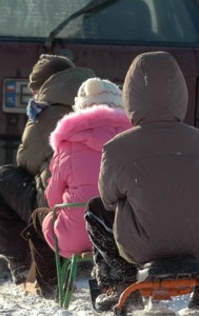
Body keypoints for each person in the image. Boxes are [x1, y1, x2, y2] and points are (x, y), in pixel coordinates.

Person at [85, 51, 199, 312]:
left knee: (95, 209)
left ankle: (119, 284)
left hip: (140, 247)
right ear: (179, 92)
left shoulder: (116, 149)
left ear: (130, 94)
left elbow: (108, 201)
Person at [0, 54, 95, 285]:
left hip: (63, 212)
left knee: (0, 180)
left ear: (43, 86)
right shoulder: (106, 106)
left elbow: (26, 160)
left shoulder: (46, 111)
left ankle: (21, 263)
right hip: (108, 213)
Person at [21, 78, 133, 298]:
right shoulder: (132, 140)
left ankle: (51, 286)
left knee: (40, 218)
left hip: (78, 234)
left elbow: (53, 199)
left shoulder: (68, 144)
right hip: (125, 233)